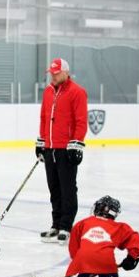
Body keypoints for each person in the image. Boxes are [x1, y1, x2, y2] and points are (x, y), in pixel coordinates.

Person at [35, 57, 88, 244]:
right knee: (54, 188)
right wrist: (41, 142)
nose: (53, 76)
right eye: (52, 73)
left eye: (57, 73)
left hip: (66, 149)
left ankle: (66, 226)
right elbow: (43, 117)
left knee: (67, 189)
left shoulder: (77, 92)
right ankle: (56, 224)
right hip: (50, 148)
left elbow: (81, 121)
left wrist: (76, 144)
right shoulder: (48, 92)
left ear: (66, 72)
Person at [57, 195, 139, 277]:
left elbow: (74, 243)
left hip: (83, 257)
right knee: (103, 268)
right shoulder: (120, 227)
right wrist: (131, 257)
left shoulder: (84, 222)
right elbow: (135, 239)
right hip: (106, 260)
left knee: (86, 266)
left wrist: (77, 259)